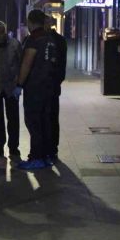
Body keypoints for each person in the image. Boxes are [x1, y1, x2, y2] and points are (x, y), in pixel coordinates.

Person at [13, 9, 58, 170]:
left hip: (35, 87)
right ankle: (45, 156)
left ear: (30, 22)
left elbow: (27, 63)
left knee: (34, 122)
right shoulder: (50, 39)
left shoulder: (33, 39)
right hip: (48, 86)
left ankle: (36, 157)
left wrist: (19, 84)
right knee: (45, 122)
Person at [0, 20, 22, 159]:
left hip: (11, 87)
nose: (1, 35)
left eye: (2, 32)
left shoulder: (14, 44)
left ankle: (13, 147)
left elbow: (21, 63)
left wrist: (19, 84)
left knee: (13, 118)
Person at [45, 16, 67, 160]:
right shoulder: (58, 39)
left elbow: (61, 64)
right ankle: (50, 148)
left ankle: (52, 149)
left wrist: (57, 81)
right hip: (50, 84)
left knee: (52, 117)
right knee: (49, 117)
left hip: (51, 85)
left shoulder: (58, 40)